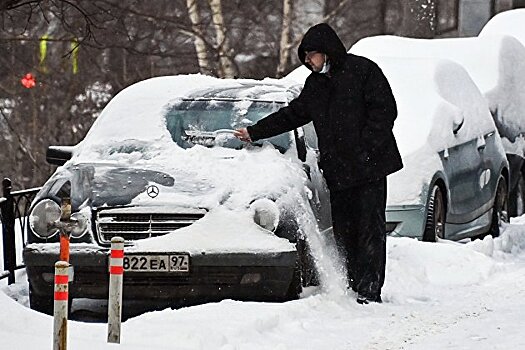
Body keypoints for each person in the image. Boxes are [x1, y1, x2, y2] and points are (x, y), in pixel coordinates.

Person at [234, 23, 403, 304]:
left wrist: (365, 149)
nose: (308, 63)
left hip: (369, 168)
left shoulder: (363, 71)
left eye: (311, 56)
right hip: (338, 172)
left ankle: (370, 289)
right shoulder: (315, 85)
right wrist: (255, 131)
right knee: (345, 231)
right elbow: (294, 114)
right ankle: (352, 284)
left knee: (370, 230)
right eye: (305, 58)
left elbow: (384, 112)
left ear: (326, 52)